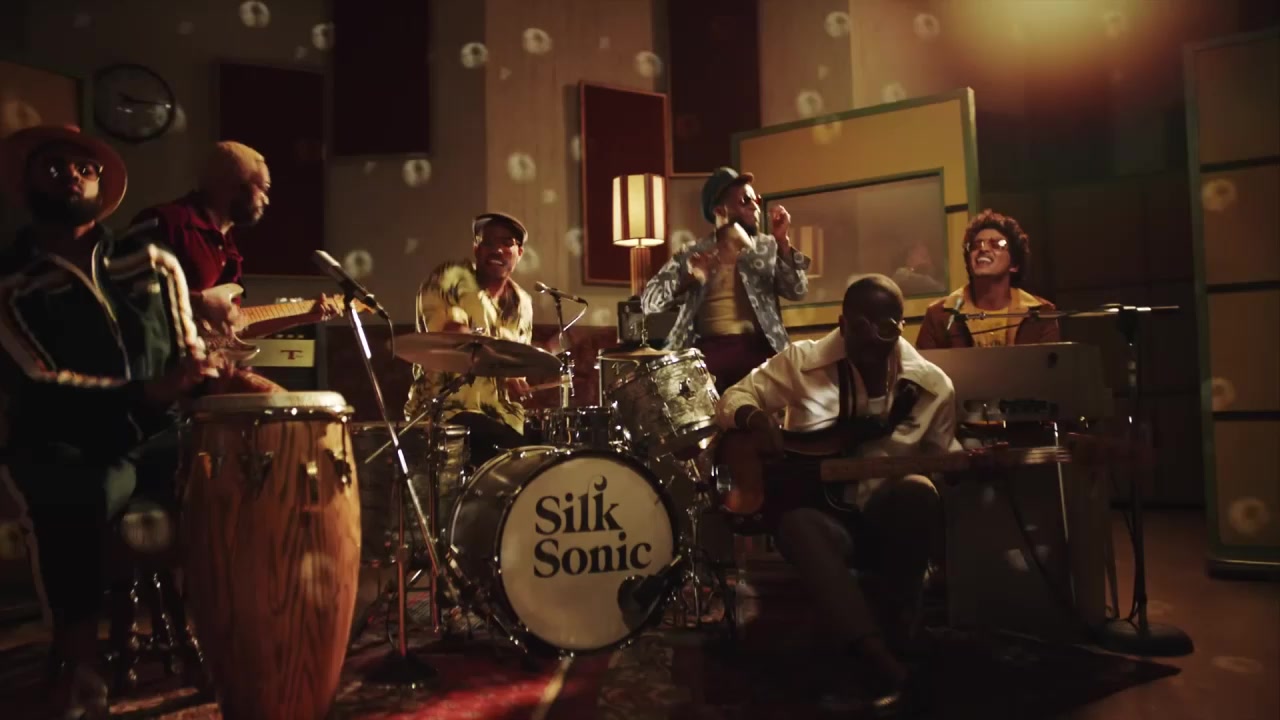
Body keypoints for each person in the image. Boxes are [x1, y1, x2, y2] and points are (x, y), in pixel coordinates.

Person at [0, 125, 214, 717]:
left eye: (84, 168)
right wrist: (145, 392)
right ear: (27, 184)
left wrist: (204, 374)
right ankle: (76, 659)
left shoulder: (152, 260)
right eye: (54, 167)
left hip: (160, 435)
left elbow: (187, 348)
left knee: (231, 479)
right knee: (73, 489)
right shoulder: (11, 282)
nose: (72, 176)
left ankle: (233, 633)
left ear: (100, 184)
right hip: (70, 440)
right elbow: (37, 382)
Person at [715, 274, 956, 714]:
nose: (873, 339)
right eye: (860, 326)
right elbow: (734, 397)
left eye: (886, 328)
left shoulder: (932, 387)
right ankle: (880, 659)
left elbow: (941, 465)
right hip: (826, 522)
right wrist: (755, 419)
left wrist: (966, 471)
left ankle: (895, 638)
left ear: (902, 327)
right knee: (796, 525)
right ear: (842, 324)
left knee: (918, 492)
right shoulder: (801, 363)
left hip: (890, 523)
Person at [132, 141, 338, 391]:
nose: (266, 200)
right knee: (277, 401)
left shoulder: (227, 248)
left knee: (289, 403)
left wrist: (306, 315)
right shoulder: (168, 222)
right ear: (232, 185)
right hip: (160, 374)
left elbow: (236, 325)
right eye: (262, 188)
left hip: (207, 370)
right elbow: (125, 294)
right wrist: (198, 301)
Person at [641, 167, 810, 393]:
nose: (755, 206)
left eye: (756, 199)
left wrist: (783, 243)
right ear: (720, 210)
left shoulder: (768, 247)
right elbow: (649, 302)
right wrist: (689, 278)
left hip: (759, 352)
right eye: (745, 200)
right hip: (707, 355)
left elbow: (798, 290)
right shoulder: (692, 253)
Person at [404, 212, 535, 465]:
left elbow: (517, 362)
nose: (496, 250)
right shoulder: (451, 278)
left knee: (549, 450)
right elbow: (454, 336)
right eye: (488, 242)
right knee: (501, 445)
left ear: (520, 253)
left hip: (503, 419)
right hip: (446, 414)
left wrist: (517, 378)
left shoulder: (523, 303)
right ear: (476, 248)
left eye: (506, 243)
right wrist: (502, 364)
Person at [916, 209, 1059, 348]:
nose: (983, 249)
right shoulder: (938, 315)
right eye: (976, 245)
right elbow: (922, 365)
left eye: (997, 244)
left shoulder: (1042, 313)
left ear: (1014, 264)